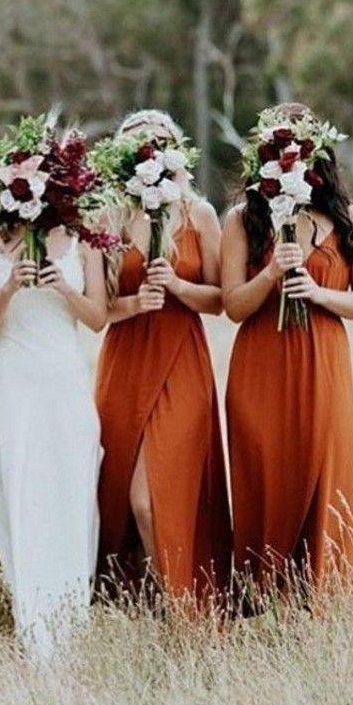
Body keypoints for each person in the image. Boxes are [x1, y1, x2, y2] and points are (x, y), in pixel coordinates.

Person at [221, 102, 353, 610]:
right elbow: (232, 307)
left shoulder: (349, 217)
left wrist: (318, 293)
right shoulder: (244, 219)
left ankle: (330, 602)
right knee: (269, 479)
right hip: (261, 367)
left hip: (325, 364)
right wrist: (270, 276)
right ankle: (266, 600)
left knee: (327, 473)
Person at [96, 109, 232, 605]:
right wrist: (132, 303)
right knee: (122, 497)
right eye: (136, 147)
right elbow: (95, 309)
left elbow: (221, 299)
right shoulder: (106, 217)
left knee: (151, 499)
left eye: (156, 144)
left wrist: (176, 285)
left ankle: (186, 612)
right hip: (125, 362)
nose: (146, 154)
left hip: (181, 357)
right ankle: (153, 604)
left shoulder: (199, 215)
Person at [0, 219, 107, 658]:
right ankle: (31, 622)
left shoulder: (84, 240)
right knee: (19, 499)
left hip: (64, 380)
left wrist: (64, 289)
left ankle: (71, 619)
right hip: (14, 383)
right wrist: (10, 285)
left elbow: (98, 319)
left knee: (71, 494)